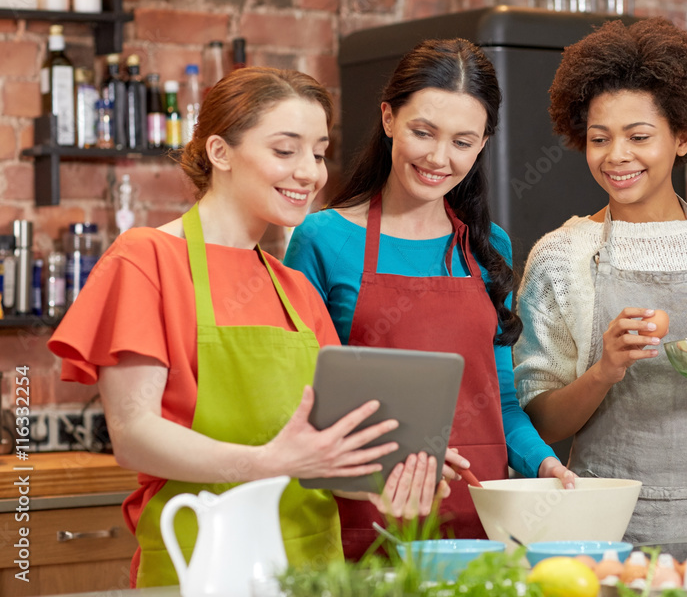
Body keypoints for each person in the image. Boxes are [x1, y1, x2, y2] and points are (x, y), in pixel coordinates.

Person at [48, 67, 450, 588]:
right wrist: (265, 462)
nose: (310, 172)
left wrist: (387, 471)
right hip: (203, 565)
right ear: (220, 153)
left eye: (319, 152)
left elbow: (320, 457)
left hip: (313, 571)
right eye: (286, 151)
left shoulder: (296, 289)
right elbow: (134, 436)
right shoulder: (146, 260)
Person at [284, 38, 576, 559]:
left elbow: (501, 401)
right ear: (388, 117)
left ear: (484, 143)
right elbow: (298, 400)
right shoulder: (321, 239)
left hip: (481, 519)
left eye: (463, 141)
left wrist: (543, 462)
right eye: (423, 132)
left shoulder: (489, 247)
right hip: (368, 518)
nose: (440, 158)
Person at [513, 18, 687, 543]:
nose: (616, 156)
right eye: (600, 139)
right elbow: (539, 422)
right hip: (606, 528)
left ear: (682, 137)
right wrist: (604, 370)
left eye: (638, 136)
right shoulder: (560, 255)